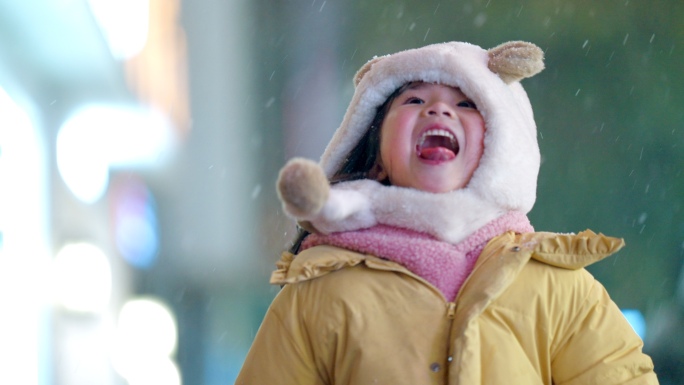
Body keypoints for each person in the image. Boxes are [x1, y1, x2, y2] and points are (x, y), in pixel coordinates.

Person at [235, 41, 659, 384]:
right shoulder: (320, 293)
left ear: (500, 151)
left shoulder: (558, 289)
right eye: (414, 99)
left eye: (468, 104)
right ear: (377, 157)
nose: (438, 109)